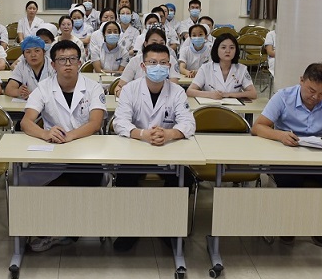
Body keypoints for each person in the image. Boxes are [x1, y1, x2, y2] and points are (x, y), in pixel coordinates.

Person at [252, 62, 322, 247]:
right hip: (287, 154)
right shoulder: (283, 97)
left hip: (319, 155)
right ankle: (288, 226)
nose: (315, 97)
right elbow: (258, 127)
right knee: (290, 183)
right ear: (301, 81)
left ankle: (320, 225)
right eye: (311, 90)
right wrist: (280, 135)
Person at [19, 40, 107, 251]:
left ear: (79, 62)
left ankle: (69, 231)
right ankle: (39, 228)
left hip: (85, 150)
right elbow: (26, 122)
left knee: (85, 182)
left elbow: (95, 123)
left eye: (72, 59)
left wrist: (70, 136)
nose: (67, 64)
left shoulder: (93, 87)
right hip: (53, 149)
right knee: (23, 180)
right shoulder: (44, 87)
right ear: (53, 64)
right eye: (62, 60)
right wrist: (45, 133)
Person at [111, 42, 196, 252]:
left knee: (183, 178)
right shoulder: (130, 89)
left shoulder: (177, 91)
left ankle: (167, 228)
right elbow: (119, 122)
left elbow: (188, 122)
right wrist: (142, 134)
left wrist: (169, 134)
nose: (158, 67)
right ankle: (130, 230)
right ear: (143, 66)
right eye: (152, 62)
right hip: (135, 149)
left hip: (168, 150)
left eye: (163, 63)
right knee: (124, 177)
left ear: (169, 66)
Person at [187, 33, 258, 101]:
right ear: (216, 49)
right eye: (223, 47)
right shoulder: (205, 68)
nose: (228, 51)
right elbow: (190, 91)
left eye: (232, 48)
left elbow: (253, 93)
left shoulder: (242, 69)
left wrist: (229, 94)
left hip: (234, 108)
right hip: (210, 106)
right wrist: (210, 94)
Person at [117, 28, 181, 96]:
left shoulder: (171, 60)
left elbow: (174, 87)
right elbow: (120, 86)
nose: (157, 46)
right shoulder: (135, 61)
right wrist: (124, 94)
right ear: (145, 43)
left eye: (161, 43)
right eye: (154, 43)